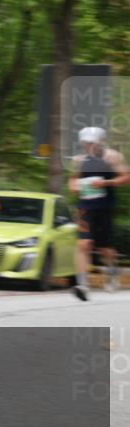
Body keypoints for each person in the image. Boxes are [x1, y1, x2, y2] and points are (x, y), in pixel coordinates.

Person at [69, 126, 129, 300]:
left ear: (101, 142)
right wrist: (73, 185)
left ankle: (111, 271)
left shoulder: (113, 157)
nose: (88, 146)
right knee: (83, 244)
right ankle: (82, 284)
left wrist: (105, 183)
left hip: (105, 207)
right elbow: (73, 178)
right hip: (85, 207)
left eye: (91, 143)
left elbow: (125, 177)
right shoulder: (79, 160)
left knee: (104, 249)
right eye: (85, 143)